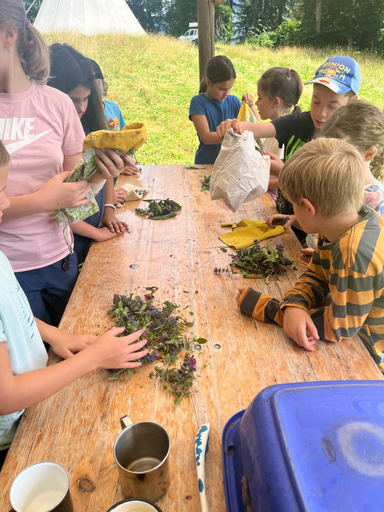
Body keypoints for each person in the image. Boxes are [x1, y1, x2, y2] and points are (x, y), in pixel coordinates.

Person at [0, 139, 148, 469]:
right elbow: (5, 396)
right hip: (9, 430)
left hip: (33, 399)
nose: (7, 203)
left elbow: (10, 314)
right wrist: (93, 359)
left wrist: (53, 335)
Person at [0, 0, 125, 326]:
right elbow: (55, 198)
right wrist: (42, 201)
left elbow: (74, 194)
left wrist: (99, 177)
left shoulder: (57, 105)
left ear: (8, 35)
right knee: (34, 368)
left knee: (81, 344)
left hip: (61, 261)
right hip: (7, 275)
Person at [237, 138, 384, 373]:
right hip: (350, 314)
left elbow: (339, 327)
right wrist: (296, 303)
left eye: (294, 204)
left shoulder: (352, 253)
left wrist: (278, 311)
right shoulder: (341, 222)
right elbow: (318, 274)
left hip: (369, 352)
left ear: (308, 207)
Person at [217, 55, 361, 221]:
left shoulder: (348, 145)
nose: (321, 113)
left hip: (315, 232)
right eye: (316, 102)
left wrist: (283, 172)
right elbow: (260, 128)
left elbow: (324, 194)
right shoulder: (299, 121)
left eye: (333, 106)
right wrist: (236, 126)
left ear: (352, 103)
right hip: (289, 218)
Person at [267, 99, 384, 262]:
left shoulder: (374, 203)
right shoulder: (330, 179)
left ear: (368, 154)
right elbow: (324, 221)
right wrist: (294, 219)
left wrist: (324, 262)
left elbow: (362, 262)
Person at [48, 43, 130, 265]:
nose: (81, 107)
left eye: (86, 99)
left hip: (97, 222)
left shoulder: (91, 123)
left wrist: (109, 210)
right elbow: (62, 206)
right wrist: (95, 234)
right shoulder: (51, 141)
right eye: (74, 99)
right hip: (73, 237)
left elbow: (107, 174)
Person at [86, 57, 140, 205]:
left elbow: (123, 141)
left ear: (103, 85)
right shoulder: (84, 117)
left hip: (114, 175)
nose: (95, 90)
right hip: (97, 182)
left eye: (98, 83)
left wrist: (123, 165)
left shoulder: (113, 107)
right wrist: (107, 200)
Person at [189, 55, 257, 165]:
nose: (226, 93)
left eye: (230, 88)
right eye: (222, 89)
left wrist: (251, 105)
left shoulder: (232, 100)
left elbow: (255, 124)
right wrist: (234, 135)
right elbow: (206, 137)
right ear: (208, 83)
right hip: (206, 163)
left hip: (229, 163)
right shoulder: (198, 102)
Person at [255, 67, 303, 200]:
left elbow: (282, 179)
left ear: (275, 102)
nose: (256, 103)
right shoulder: (273, 130)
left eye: (259, 98)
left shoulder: (281, 139)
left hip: (273, 199)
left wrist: (259, 184)